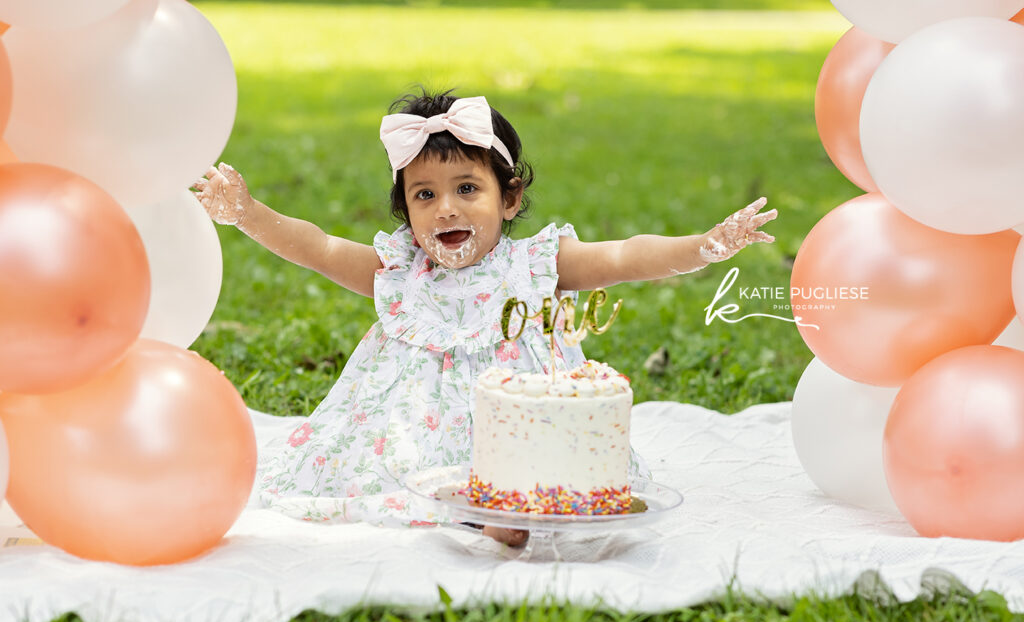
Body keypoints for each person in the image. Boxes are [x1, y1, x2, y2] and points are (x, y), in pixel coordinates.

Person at [192, 90, 777, 546]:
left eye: (467, 188)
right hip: (413, 429)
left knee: (533, 469)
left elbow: (624, 255)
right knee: (397, 475)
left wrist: (704, 245)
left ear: (510, 198)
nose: (445, 207)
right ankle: (471, 509)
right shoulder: (399, 269)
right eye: (423, 195)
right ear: (405, 212)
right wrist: (246, 213)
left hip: (519, 431)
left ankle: (508, 509)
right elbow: (316, 246)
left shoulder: (536, 263)